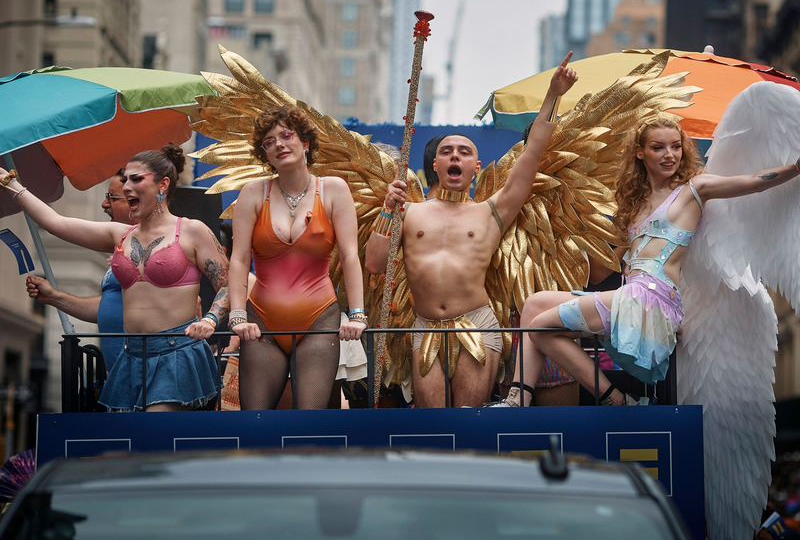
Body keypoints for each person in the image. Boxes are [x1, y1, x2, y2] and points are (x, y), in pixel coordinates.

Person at [502, 118, 800, 407]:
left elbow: (754, 183)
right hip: (630, 298)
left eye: (676, 146)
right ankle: (517, 399)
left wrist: (795, 167)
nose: (669, 155)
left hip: (653, 301)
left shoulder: (694, 190)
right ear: (640, 152)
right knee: (535, 304)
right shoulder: (631, 207)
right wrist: (577, 224)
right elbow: (598, 274)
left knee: (540, 327)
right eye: (658, 147)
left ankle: (614, 400)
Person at [365, 53, 579, 408]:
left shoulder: (492, 212)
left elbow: (535, 149)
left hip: (478, 325)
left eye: (464, 152)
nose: (454, 156)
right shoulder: (408, 210)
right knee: (434, 429)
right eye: (447, 151)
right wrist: (388, 209)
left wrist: (553, 95)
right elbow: (374, 263)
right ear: (435, 163)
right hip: (424, 327)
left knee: (471, 420)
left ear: (475, 166)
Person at [0, 144, 229, 411]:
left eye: (136, 179)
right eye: (125, 179)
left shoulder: (192, 231)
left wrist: (211, 320)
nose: (127, 186)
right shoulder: (119, 234)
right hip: (129, 357)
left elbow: (228, 283)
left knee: (151, 438)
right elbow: (54, 222)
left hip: (176, 353)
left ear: (163, 185)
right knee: (129, 445)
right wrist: (10, 183)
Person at [228, 104, 368, 410]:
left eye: (285, 135)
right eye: (268, 142)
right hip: (262, 320)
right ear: (264, 154)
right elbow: (238, 259)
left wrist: (357, 314)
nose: (278, 144)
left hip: (319, 317)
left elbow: (349, 255)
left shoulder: (333, 190)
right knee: (255, 422)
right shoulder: (252, 193)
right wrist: (237, 315)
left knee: (310, 424)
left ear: (305, 142)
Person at [25, 170, 129, 371]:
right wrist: (54, 297)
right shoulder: (124, 245)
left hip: (142, 374)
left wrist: (12, 184)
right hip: (120, 372)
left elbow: (56, 223)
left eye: (112, 197)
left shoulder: (140, 240)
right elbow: (111, 307)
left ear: (136, 200)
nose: (104, 204)